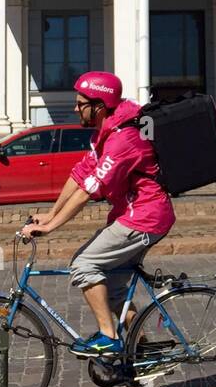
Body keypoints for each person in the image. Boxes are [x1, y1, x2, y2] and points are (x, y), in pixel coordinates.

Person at [21, 71, 174, 356]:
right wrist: (50, 213)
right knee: (114, 289)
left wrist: (52, 226)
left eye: (81, 104)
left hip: (144, 217)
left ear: (99, 106)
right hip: (130, 215)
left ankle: (109, 337)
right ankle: (141, 351)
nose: (75, 108)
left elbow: (88, 191)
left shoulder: (123, 139)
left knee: (84, 264)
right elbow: (80, 175)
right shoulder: (105, 134)